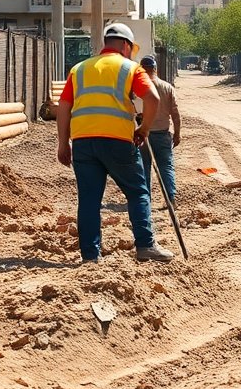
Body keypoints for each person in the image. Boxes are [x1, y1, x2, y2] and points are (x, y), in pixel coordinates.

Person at [56, 23, 174, 264]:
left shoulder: (78, 70)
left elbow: (64, 107)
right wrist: (145, 128)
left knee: (89, 199)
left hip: (83, 143)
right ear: (125, 45)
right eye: (131, 49)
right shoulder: (131, 68)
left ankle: (90, 256)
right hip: (118, 141)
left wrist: (62, 143)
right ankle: (145, 245)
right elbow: (152, 98)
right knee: (138, 191)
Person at [134, 55, 181, 204]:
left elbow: (131, 110)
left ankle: (145, 199)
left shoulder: (137, 88)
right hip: (162, 133)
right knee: (166, 166)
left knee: (143, 167)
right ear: (155, 68)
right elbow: (175, 114)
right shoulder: (167, 87)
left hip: (142, 135)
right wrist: (177, 134)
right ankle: (170, 198)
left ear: (141, 69)